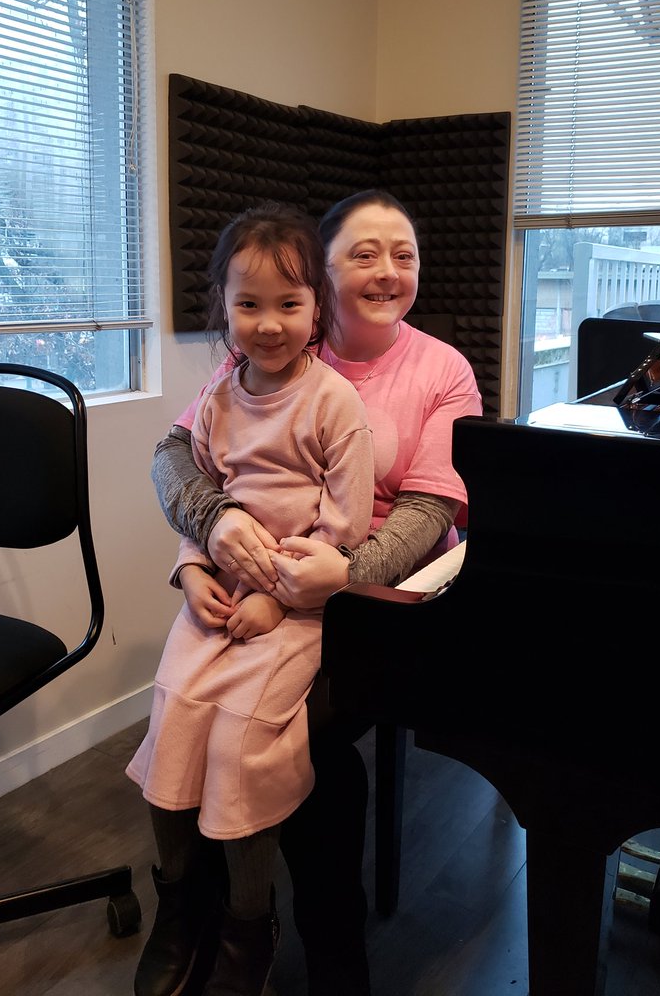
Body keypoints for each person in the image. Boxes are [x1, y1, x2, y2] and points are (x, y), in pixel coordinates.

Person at [149, 189, 483, 996]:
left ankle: (322, 940)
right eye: (363, 252)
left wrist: (345, 572)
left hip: (372, 599)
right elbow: (174, 456)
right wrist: (211, 528)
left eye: (403, 252)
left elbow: (432, 508)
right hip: (257, 572)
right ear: (321, 272)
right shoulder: (270, 351)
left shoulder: (442, 368)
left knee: (311, 740)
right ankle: (193, 902)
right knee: (180, 705)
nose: (388, 269)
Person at [127, 202, 374, 996]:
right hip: (215, 598)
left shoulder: (334, 403)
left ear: (318, 311)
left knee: (238, 747)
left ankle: (248, 919)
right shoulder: (219, 397)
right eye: (248, 305)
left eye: (289, 305)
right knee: (170, 717)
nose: (268, 325)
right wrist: (191, 571)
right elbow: (198, 485)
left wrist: (278, 598)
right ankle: (179, 905)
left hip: (292, 608)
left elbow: (344, 527)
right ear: (223, 308)